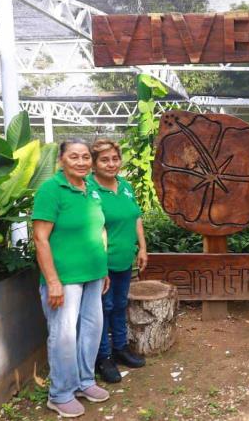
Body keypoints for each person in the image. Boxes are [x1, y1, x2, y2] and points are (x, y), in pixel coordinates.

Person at [33, 138, 111, 418]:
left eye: (86, 157)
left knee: (91, 329)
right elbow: (40, 239)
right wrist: (52, 281)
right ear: (62, 160)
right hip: (65, 277)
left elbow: (99, 228)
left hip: (93, 274)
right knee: (64, 334)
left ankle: (84, 381)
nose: (82, 162)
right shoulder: (51, 190)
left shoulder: (90, 187)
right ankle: (60, 393)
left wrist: (102, 270)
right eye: (74, 157)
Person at [88, 139, 147, 383]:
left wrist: (142, 248)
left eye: (115, 159)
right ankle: (103, 357)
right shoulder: (89, 189)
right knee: (103, 308)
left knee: (120, 304)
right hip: (102, 263)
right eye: (104, 159)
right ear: (93, 164)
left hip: (125, 260)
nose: (111, 164)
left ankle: (120, 348)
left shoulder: (125, 186)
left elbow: (136, 218)